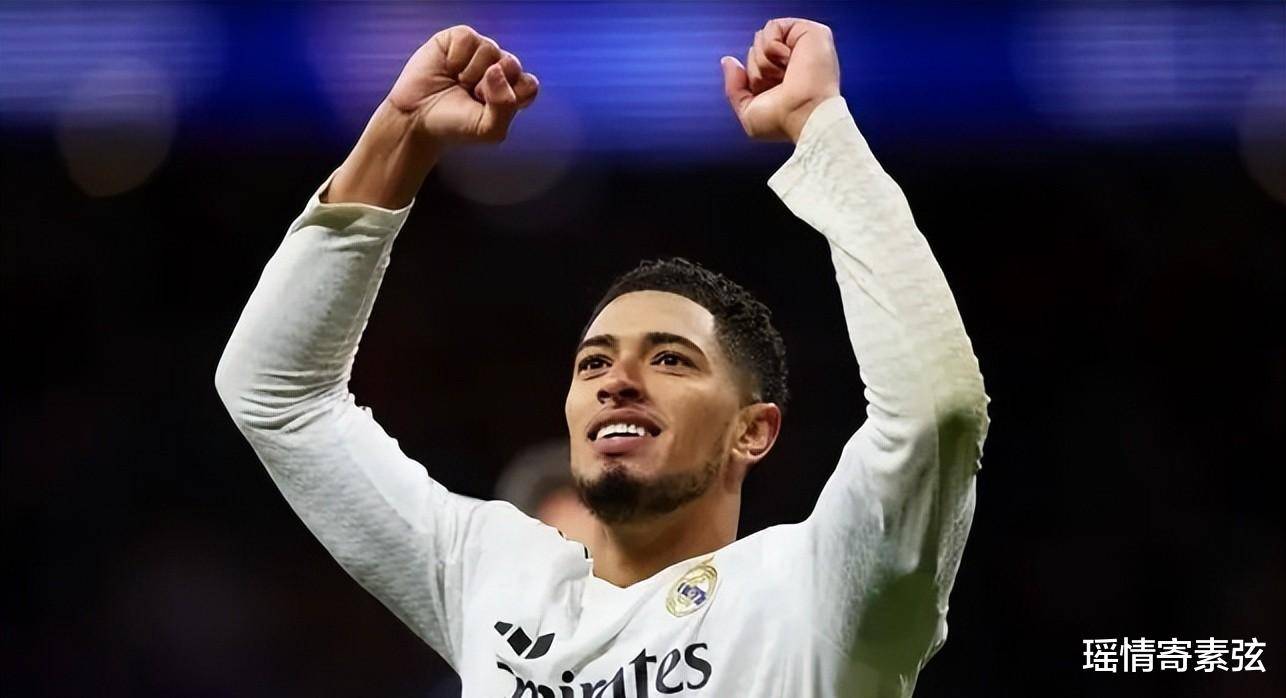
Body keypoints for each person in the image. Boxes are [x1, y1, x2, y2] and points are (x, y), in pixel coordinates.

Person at [215, 17, 990, 697]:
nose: (617, 380)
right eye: (592, 363)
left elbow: (934, 412)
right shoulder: (495, 578)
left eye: (672, 360)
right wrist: (400, 135)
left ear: (752, 431)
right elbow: (275, 396)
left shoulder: (820, 596)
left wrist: (818, 128)